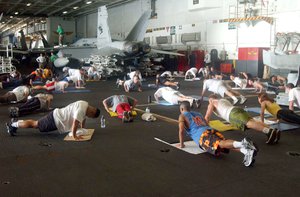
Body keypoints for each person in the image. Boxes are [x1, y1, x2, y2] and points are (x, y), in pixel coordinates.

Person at [177, 101, 257, 167]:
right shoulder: (198, 114)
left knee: (220, 144)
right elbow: (206, 123)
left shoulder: (182, 116)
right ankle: (246, 151)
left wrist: (181, 144)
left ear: (182, 108)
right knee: (223, 144)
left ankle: (243, 144)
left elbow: (181, 130)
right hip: (209, 130)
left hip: (202, 136)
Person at [5, 100, 100, 140]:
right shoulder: (81, 110)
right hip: (55, 120)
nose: (88, 117)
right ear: (92, 112)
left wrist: (82, 129)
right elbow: (75, 123)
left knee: (35, 123)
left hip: (56, 116)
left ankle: (15, 124)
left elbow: (82, 119)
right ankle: (13, 124)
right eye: (90, 116)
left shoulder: (85, 104)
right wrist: (75, 136)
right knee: (35, 124)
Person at [204, 95, 280, 144]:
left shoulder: (212, 102)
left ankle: (268, 131)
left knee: (248, 123)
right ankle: (272, 129)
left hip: (231, 114)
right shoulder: (223, 100)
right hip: (236, 109)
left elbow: (207, 117)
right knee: (253, 121)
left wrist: (205, 130)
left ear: (211, 99)